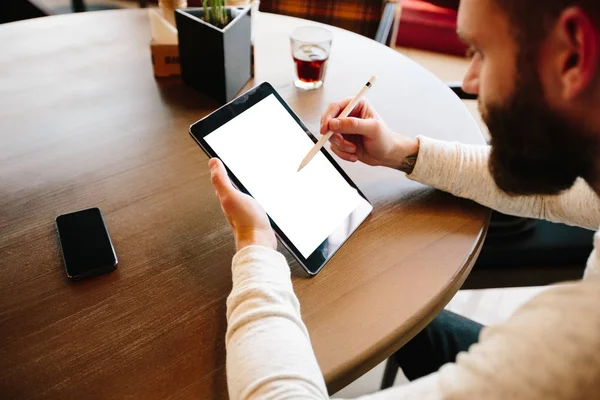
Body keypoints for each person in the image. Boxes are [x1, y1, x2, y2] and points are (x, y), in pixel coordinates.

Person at [210, 0, 600, 398]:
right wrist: (400, 150)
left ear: (573, 56)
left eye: (481, 52)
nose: (468, 81)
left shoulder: (578, 349)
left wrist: (255, 248)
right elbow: (566, 196)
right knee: (394, 318)